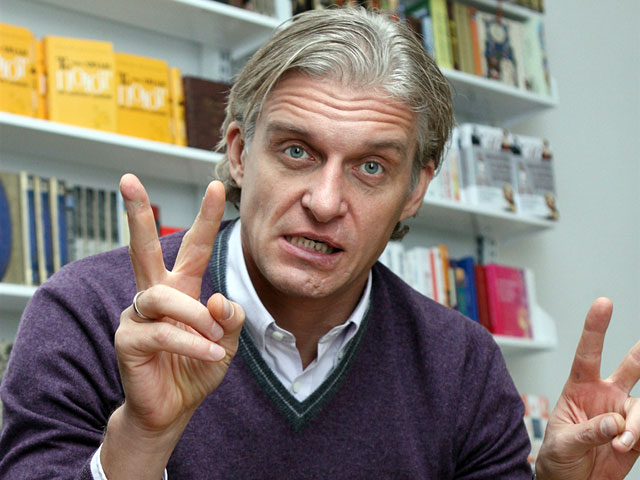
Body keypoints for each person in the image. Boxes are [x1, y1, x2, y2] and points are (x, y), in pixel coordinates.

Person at [0, 7, 638, 479]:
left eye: (371, 167)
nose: (326, 202)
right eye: (297, 151)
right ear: (240, 153)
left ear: (415, 190)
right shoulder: (87, 312)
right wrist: (142, 438)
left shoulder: (461, 365)